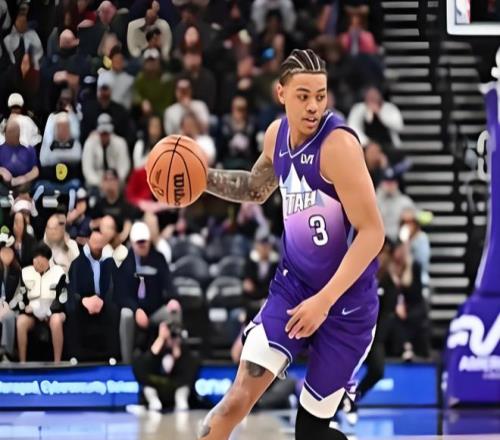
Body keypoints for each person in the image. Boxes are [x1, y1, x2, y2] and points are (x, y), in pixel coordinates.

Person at [198, 49, 384, 440]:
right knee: (235, 401)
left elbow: (373, 233)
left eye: (321, 95)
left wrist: (324, 302)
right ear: (281, 93)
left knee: (310, 433)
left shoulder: (339, 147)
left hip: (346, 303)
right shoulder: (276, 136)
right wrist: (202, 178)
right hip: (293, 287)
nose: (314, 105)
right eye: (303, 96)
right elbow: (255, 188)